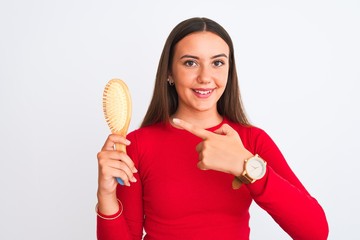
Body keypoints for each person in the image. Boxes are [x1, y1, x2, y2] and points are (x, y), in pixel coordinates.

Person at [96, 17, 329, 240]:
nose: (205, 77)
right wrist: (106, 195)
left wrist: (246, 165)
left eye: (217, 63)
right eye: (190, 62)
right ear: (169, 72)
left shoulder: (251, 141)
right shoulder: (136, 145)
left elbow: (315, 233)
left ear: (229, 70)